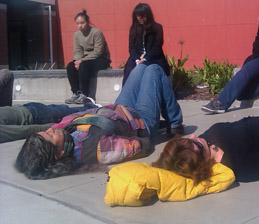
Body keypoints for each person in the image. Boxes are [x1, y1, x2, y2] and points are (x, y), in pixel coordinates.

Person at [15, 64, 183, 179]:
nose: (51, 130)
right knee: (154, 70)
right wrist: (143, 134)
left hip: (120, 108)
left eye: (47, 131)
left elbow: (65, 122)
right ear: (58, 154)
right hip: (141, 122)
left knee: (140, 68)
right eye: (50, 135)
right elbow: (139, 146)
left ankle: (169, 119)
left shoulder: (65, 134)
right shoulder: (95, 149)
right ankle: (175, 122)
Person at [65, 10, 111, 104]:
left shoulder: (96, 32)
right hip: (85, 59)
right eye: (77, 23)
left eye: (82, 23)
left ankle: (84, 94)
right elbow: (78, 50)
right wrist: (77, 61)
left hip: (101, 58)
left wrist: (82, 60)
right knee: (70, 66)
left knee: (84, 66)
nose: (80, 25)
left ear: (88, 22)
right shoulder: (77, 35)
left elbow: (98, 51)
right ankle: (76, 93)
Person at [0, 100, 98, 143]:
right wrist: (55, 127)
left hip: (33, 113)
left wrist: (55, 127)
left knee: (67, 111)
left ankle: (94, 108)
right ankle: (94, 108)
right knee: (68, 111)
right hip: (31, 114)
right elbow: (24, 131)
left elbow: (23, 131)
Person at [122, 3, 170, 86]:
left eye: (143, 15)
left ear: (148, 15)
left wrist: (145, 59)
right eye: (138, 15)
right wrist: (137, 59)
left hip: (153, 57)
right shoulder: (133, 29)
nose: (140, 18)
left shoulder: (157, 28)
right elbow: (131, 47)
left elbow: (157, 47)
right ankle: (127, 95)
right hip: (137, 57)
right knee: (129, 70)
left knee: (150, 71)